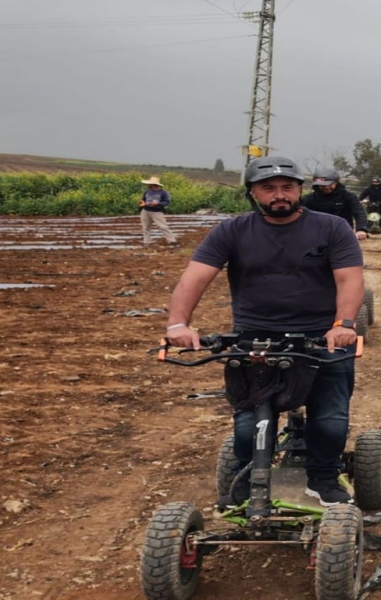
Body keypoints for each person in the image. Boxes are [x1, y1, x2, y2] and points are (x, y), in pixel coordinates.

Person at [165, 156, 364, 507]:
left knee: (330, 418)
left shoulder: (332, 228)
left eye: (287, 187)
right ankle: (247, 475)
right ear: (253, 193)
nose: (279, 195)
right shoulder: (232, 230)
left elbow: (349, 279)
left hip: (321, 335)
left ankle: (323, 477)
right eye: (268, 188)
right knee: (248, 423)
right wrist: (178, 324)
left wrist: (343, 324)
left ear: (299, 190)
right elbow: (195, 277)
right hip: (254, 336)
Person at [302, 167, 368, 240]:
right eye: (323, 185)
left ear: (336, 182)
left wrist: (361, 229)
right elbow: (299, 214)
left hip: (342, 234)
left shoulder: (348, 197)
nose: (326, 187)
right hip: (317, 235)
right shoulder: (309, 199)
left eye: (329, 184)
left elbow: (359, 212)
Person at [139, 176, 178, 246]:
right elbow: (143, 200)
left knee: (163, 226)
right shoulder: (147, 192)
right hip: (146, 210)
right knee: (145, 227)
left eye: (150, 184)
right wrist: (142, 203)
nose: (148, 185)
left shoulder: (163, 193)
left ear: (154, 184)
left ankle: (172, 241)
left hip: (157, 211)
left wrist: (158, 203)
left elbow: (167, 202)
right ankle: (147, 242)